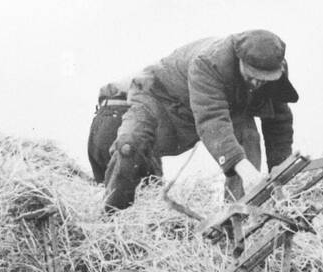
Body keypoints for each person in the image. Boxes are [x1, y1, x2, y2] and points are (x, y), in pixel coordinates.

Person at [91, 29, 298, 211]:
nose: (257, 82)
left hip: (204, 114)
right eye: (252, 74)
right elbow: (212, 121)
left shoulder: (274, 69)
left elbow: (278, 124)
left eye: (264, 78)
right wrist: (247, 172)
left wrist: (280, 176)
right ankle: (114, 218)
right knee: (129, 146)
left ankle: (239, 219)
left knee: (248, 137)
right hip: (160, 102)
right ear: (239, 59)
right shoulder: (208, 62)